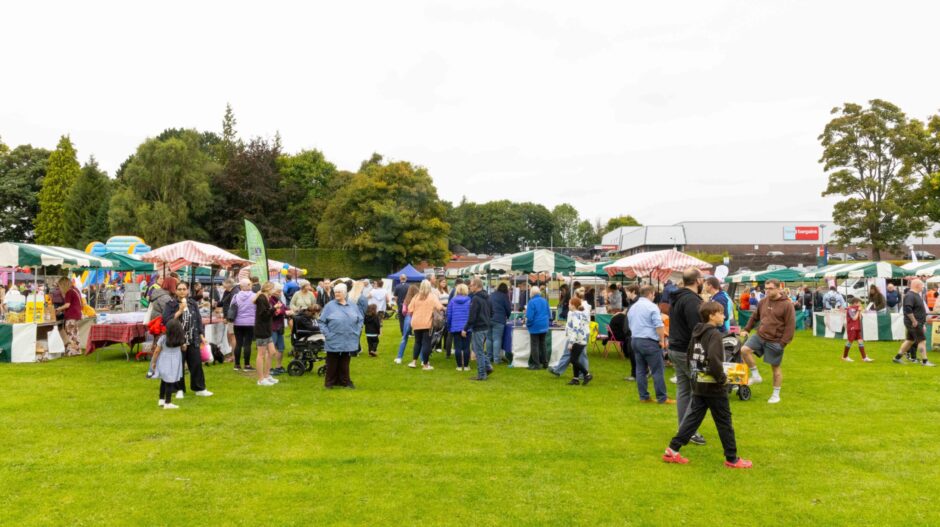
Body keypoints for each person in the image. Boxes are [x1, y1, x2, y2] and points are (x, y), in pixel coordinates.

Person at [662, 301, 752, 469]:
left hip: (699, 384)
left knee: (692, 419)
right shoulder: (715, 335)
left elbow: (689, 356)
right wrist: (722, 379)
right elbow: (714, 359)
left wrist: (695, 376)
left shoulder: (696, 332)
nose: (724, 316)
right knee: (724, 421)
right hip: (714, 387)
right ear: (712, 315)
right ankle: (732, 458)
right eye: (721, 313)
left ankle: (672, 450)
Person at [740, 278, 795, 404]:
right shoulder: (763, 301)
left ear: (779, 288)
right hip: (760, 335)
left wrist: (782, 343)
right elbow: (755, 316)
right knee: (744, 350)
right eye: (766, 288)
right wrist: (747, 329)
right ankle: (756, 375)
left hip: (776, 341)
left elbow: (790, 327)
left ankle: (776, 395)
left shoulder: (787, 304)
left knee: (775, 368)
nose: (767, 291)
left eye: (770, 288)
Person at [668, 268, 706, 446]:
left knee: (684, 391)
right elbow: (696, 329)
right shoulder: (691, 300)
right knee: (697, 392)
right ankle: (689, 431)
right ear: (698, 280)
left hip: (675, 348)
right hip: (686, 351)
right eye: (703, 278)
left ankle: (684, 428)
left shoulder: (678, 297)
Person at [162, 281, 212, 398]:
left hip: (192, 338)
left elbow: (198, 320)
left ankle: (199, 388)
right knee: (178, 365)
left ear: (188, 290)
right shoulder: (171, 304)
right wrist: (179, 311)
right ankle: (179, 389)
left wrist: (201, 335)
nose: (182, 291)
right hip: (177, 340)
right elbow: (166, 321)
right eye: (179, 289)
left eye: (184, 289)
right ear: (175, 291)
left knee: (196, 364)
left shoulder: (192, 303)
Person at [628, 285, 673, 404]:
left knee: (640, 370)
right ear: (650, 294)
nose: (654, 297)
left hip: (635, 340)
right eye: (654, 295)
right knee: (657, 370)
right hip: (649, 341)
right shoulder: (652, 307)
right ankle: (662, 397)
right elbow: (659, 325)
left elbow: (630, 323)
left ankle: (644, 396)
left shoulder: (633, 307)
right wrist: (662, 340)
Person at [319, 282, 364, 389]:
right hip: (334, 337)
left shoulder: (353, 305)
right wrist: (328, 334)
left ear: (345, 293)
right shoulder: (330, 306)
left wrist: (357, 331)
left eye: (339, 292)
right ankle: (330, 382)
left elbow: (360, 319)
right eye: (335, 292)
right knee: (332, 361)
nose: (337, 294)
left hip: (349, 338)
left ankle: (345, 381)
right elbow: (321, 322)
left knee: (345, 361)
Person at [894, 279, 935, 366]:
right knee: (922, 340)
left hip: (917, 322)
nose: (923, 287)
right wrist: (914, 321)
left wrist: (922, 323)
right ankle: (925, 361)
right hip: (914, 323)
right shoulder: (910, 295)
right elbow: (908, 309)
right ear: (917, 285)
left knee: (910, 340)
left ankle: (897, 358)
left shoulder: (916, 295)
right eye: (922, 286)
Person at [407, 279, 444, 370]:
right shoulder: (432, 296)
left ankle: (414, 362)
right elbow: (439, 307)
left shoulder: (416, 296)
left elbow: (410, 309)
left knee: (417, 342)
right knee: (426, 343)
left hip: (416, 322)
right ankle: (425, 364)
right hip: (427, 323)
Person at [150, 317, 185, 409]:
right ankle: (168, 403)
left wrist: (153, 362)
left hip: (163, 361)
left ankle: (161, 399)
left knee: (164, 380)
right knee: (170, 382)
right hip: (175, 363)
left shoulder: (163, 339)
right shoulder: (180, 339)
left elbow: (157, 351)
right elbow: (183, 348)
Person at [463, 278, 492, 380]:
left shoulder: (475, 299)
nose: (470, 287)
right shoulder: (487, 297)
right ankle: (488, 366)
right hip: (485, 326)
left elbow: (472, 316)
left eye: (471, 285)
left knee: (478, 351)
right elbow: (491, 312)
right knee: (477, 349)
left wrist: (465, 328)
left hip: (479, 327)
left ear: (476, 286)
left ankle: (481, 374)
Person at [564, 296, 593, 386]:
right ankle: (575, 379)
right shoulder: (581, 313)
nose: (568, 305)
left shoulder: (574, 314)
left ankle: (587, 374)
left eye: (569, 304)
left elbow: (576, 329)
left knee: (573, 360)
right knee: (575, 359)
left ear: (573, 305)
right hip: (582, 339)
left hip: (577, 340)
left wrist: (571, 342)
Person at [231, 278, 256, 372]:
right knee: (247, 344)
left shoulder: (236, 296)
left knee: (239, 343)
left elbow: (231, 308)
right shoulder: (254, 296)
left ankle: (237, 364)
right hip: (250, 322)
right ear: (249, 285)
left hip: (238, 322)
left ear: (241, 286)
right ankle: (247, 365)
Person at [55, 277, 84, 357]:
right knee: (75, 334)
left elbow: (67, 305)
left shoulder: (69, 292)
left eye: (60, 286)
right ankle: (77, 350)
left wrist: (59, 309)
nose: (59, 288)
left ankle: (71, 351)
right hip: (76, 314)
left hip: (71, 315)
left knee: (70, 334)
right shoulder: (75, 290)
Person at [447, 284, 472, 371]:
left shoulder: (452, 301)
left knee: (457, 347)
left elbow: (449, 315)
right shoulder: (469, 300)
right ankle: (465, 366)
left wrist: (449, 327)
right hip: (467, 327)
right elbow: (471, 315)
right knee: (466, 347)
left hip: (455, 327)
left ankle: (458, 366)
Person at [525, 286, 550, 370]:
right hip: (544, 324)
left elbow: (529, 316)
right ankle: (545, 362)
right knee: (543, 344)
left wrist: (528, 324)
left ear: (531, 293)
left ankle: (536, 364)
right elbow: (549, 314)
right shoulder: (544, 301)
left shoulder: (531, 302)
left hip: (535, 325)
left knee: (535, 345)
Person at [487, 282, 512, 365]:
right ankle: (496, 359)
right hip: (499, 319)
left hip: (489, 318)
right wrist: (508, 316)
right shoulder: (505, 297)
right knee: (497, 339)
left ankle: (489, 357)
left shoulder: (492, 295)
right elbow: (508, 308)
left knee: (489, 338)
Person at [843, 297, 873, 362]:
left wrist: (860, 311)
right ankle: (845, 357)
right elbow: (854, 318)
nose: (860, 304)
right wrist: (858, 311)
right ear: (855, 303)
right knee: (850, 341)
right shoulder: (850, 309)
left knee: (860, 341)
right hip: (851, 328)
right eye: (859, 303)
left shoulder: (856, 309)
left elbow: (859, 318)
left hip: (857, 327)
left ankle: (864, 358)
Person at [394, 284, 418, 364]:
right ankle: (422, 359)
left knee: (404, 338)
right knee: (419, 340)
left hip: (408, 316)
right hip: (417, 317)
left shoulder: (406, 300)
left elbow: (403, 311)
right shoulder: (419, 299)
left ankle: (399, 357)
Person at [269, 283, 289, 376]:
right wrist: (286, 311)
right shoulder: (270, 300)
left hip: (279, 326)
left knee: (281, 347)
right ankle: (268, 368)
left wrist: (289, 310)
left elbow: (284, 308)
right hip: (272, 327)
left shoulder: (278, 299)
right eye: (278, 291)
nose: (280, 293)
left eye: (280, 291)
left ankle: (278, 366)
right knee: (271, 349)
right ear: (272, 290)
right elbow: (275, 313)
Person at [219, 278, 237, 359]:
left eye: (224, 284)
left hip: (232, 317)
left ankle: (234, 356)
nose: (223, 285)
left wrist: (227, 317)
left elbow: (233, 307)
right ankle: (232, 353)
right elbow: (223, 302)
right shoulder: (228, 291)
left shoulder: (234, 292)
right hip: (229, 317)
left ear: (228, 284)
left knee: (232, 335)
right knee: (230, 335)